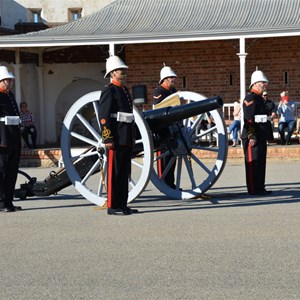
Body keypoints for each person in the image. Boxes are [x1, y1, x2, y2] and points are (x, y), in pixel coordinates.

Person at [99, 56, 138, 216]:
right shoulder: (109, 90)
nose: (124, 73)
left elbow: (129, 115)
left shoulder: (124, 90)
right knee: (114, 173)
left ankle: (122, 204)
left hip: (126, 136)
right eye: (122, 70)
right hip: (115, 137)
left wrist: (132, 135)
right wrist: (108, 138)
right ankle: (112, 206)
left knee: (124, 173)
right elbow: (104, 116)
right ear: (113, 73)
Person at [241, 70, 273, 196]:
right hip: (253, 135)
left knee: (261, 163)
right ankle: (253, 189)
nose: (265, 85)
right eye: (262, 83)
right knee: (253, 163)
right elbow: (248, 118)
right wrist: (251, 135)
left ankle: (260, 187)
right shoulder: (250, 98)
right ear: (255, 84)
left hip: (261, 135)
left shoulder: (260, 99)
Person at [0, 66, 22, 212]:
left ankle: (9, 201)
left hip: (13, 138)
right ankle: (1, 202)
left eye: (10, 80)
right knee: (1, 171)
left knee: (12, 171)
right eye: (7, 80)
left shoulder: (11, 95)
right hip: (2, 139)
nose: (10, 82)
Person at [153, 64, 178, 188]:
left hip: (172, 126)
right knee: (165, 157)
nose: (174, 79)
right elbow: (158, 108)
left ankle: (170, 183)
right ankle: (165, 182)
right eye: (171, 77)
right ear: (164, 79)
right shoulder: (159, 91)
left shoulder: (173, 91)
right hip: (162, 128)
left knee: (173, 157)